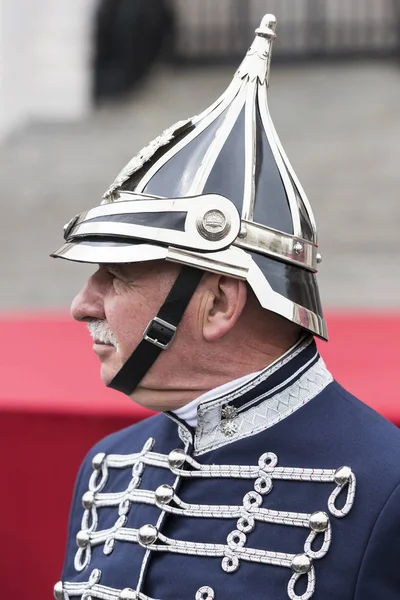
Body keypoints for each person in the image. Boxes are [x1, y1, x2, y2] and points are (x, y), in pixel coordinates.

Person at [52, 14, 400, 600]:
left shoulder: (388, 488)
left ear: (216, 303)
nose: (82, 305)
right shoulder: (108, 465)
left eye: (116, 277)